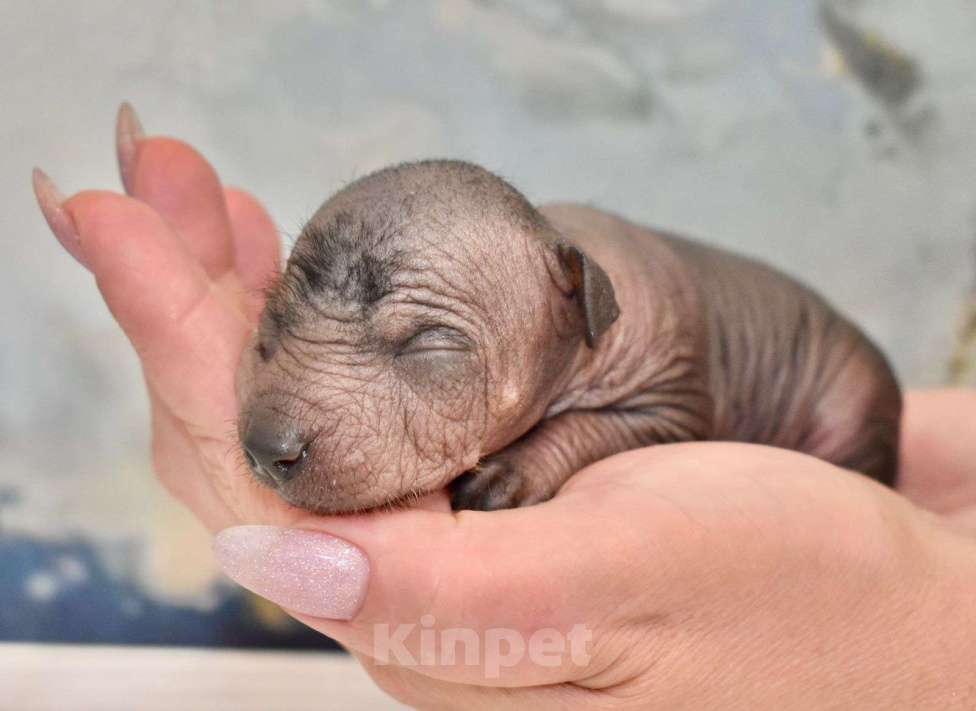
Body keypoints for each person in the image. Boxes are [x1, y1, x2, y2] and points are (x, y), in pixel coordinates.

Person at [33, 105, 976, 709]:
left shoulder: (633, 328)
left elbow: (664, 414)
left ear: (578, 315)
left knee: (857, 405)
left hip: (828, 406)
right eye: (286, 314)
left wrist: (915, 609)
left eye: (425, 345)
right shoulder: (511, 278)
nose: (286, 419)